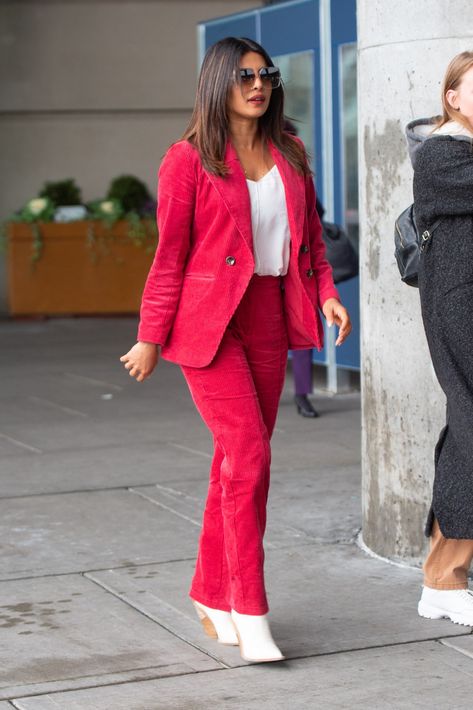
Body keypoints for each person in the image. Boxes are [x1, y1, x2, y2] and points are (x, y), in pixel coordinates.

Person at [120, 36, 351, 662]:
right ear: (218, 83)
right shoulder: (187, 159)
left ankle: (207, 592)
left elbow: (310, 246)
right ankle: (249, 609)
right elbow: (169, 258)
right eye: (244, 75)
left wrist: (326, 293)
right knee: (248, 457)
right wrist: (150, 335)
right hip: (211, 327)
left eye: (266, 75)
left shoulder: (293, 153)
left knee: (235, 462)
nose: (257, 85)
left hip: (272, 317)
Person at [406, 51, 473, 626]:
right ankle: (443, 579)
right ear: (452, 96)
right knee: (472, 429)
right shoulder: (441, 154)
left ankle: (444, 575)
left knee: (466, 430)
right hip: (461, 308)